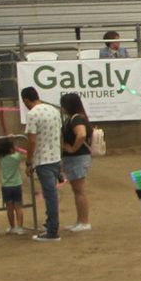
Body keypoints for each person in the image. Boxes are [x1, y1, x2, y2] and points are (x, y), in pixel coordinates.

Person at [21, 87, 65, 243]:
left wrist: (28, 161)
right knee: (51, 194)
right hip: (55, 156)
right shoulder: (53, 110)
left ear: (26, 100)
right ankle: (50, 224)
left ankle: (52, 230)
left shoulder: (32, 114)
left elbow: (32, 140)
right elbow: (59, 134)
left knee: (50, 195)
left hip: (43, 159)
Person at [57, 91, 92, 234]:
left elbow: (81, 134)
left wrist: (72, 149)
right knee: (77, 190)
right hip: (74, 157)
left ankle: (84, 221)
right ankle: (80, 220)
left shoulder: (76, 119)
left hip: (77, 157)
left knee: (79, 190)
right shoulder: (73, 118)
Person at [0, 136, 26, 236]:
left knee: (9, 208)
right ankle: (20, 227)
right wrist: (13, 139)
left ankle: (12, 227)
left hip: (6, 187)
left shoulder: (0, 159)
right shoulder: (16, 157)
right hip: (17, 185)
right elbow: (17, 150)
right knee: (18, 207)